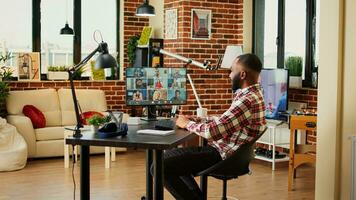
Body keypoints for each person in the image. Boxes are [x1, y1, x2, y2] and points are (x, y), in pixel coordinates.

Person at [155, 53, 266, 200]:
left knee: (158, 166)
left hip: (222, 156)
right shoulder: (254, 95)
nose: (229, 75)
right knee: (168, 161)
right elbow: (226, 121)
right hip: (230, 153)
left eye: (232, 71)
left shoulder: (247, 100)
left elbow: (212, 132)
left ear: (243, 74)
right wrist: (199, 119)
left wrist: (187, 123)